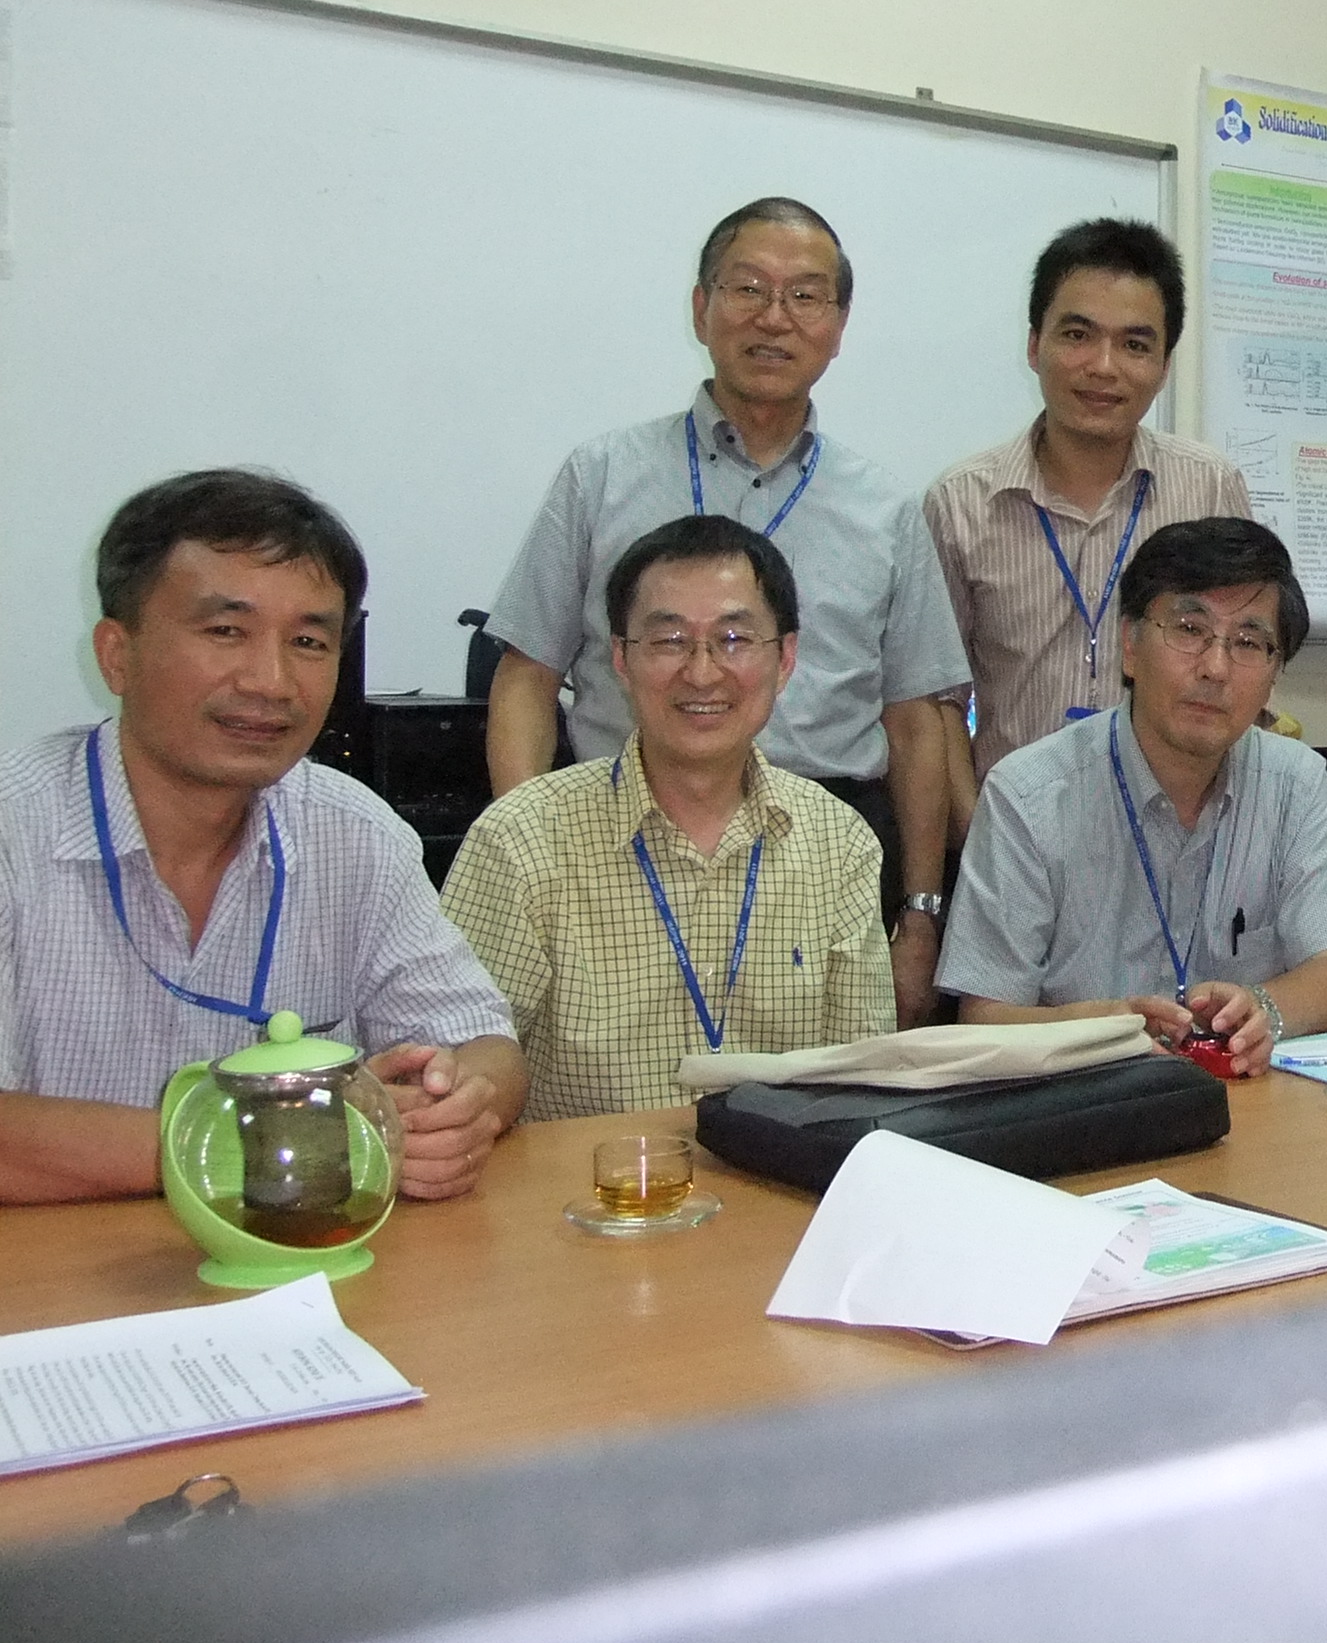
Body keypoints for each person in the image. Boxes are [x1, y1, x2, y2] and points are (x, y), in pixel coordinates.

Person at [481, 196, 966, 1028]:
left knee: (819, 1094)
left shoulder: (886, 509)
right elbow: (526, 679)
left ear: (839, 326)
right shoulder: (602, 475)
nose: (775, 317)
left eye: (805, 296)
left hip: (826, 856)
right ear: (701, 307)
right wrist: (535, 854)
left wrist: (920, 917)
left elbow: (917, 725)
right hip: (621, 841)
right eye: (748, 288)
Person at [0, 470, 526, 1205]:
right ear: (117, 654)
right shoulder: (15, 829)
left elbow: (482, 1045)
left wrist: (457, 1106)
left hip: (306, 1260)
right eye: (226, 631)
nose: (272, 681)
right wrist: (283, 1141)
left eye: (309, 640)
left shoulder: (356, 833)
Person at [442, 517, 895, 1119]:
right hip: (587, 1175)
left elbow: (859, 1081)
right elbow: (464, 1055)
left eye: (733, 638)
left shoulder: (840, 843)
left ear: (786, 658)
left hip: (773, 1174)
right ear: (621, 659)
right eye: (670, 640)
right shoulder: (521, 839)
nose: (702, 672)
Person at [937, 517, 1327, 1074]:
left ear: (1274, 673)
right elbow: (983, 1019)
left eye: (1248, 643)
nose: (1215, 668)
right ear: (1130, 646)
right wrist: (1105, 1026)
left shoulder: (1297, 783)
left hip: (1247, 1100)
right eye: (1189, 629)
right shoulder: (1028, 795)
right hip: (1088, 1101)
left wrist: (1263, 1008)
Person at [922, 220, 1252, 816]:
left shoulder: (1209, 488)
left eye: (1134, 345)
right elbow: (940, 701)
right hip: (1013, 828)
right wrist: (979, 839)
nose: (1103, 366)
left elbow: (1242, 662)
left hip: (1175, 827)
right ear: (1034, 345)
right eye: (1078, 335)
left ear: (1164, 365)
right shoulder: (960, 503)